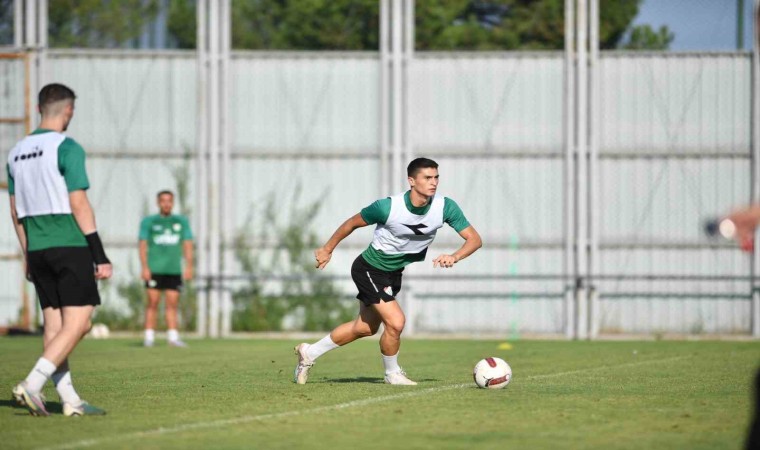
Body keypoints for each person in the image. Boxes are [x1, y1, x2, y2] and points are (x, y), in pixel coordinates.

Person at [293, 158, 482, 385]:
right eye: (427, 178)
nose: (433, 182)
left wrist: (454, 256)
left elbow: (474, 239)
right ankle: (392, 374)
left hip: (393, 273)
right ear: (412, 181)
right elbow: (351, 223)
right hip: (369, 269)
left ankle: (309, 352)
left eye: (436, 177)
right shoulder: (387, 207)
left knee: (364, 328)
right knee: (396, 322)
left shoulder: (445, 207)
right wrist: (327, 249)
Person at [7, 83, 112, 416]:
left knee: (54, 326)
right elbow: (78, 202)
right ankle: (32, 384)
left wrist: (27, 253)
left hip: (37, 248)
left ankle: (70, 401)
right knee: (79, 323)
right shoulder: (67, 147)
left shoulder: (16, 152)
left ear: (40, 108)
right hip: (68, 243)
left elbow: (15, 211)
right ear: (68, 111)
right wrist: (99, 254)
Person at [139, 190, 193, 347]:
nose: (166, 204)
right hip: (154, 269)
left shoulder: (181, 222)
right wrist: (144, 267)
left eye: (169, 201)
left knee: (172, 304)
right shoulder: (149, 222)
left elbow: (187, 245)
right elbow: (143, 245)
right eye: (163, 201)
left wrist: (189, 266)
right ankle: (149, 337)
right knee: (153, 302)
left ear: (173, 202)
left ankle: (173, 337)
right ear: (158, 203)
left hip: (173, 269)